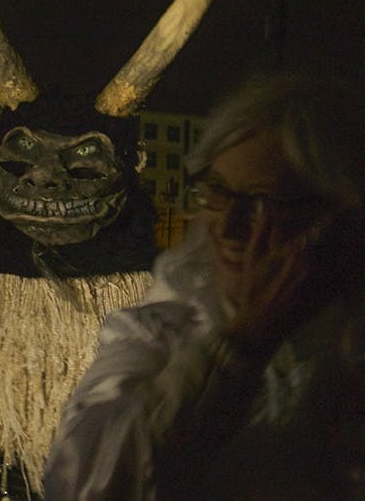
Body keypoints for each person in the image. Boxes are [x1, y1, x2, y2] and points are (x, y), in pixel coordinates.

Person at [43, 73, 365, 500]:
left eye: (262, 201)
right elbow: (83, 484)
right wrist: (238, 348)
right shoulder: (158, 330)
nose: (229, 226)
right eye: (218, 191)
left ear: (334, 215)